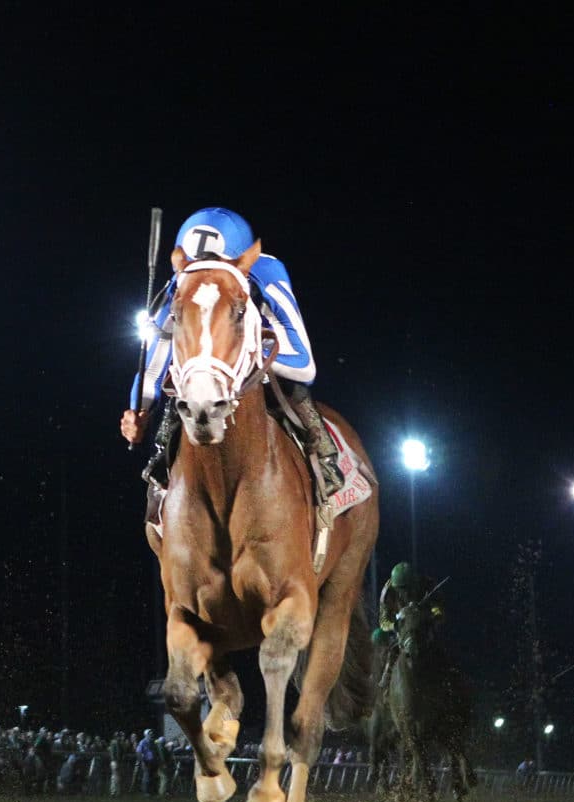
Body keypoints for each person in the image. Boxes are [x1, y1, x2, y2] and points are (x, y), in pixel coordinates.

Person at [119, 207, 344, 498]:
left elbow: (304, 364)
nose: (204, 276)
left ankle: (325, 459)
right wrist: (138, 411)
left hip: (256, 360)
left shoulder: (267, 271)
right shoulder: (180, 284)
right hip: (205, 369)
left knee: (294, 390)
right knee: (179, 392)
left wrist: (245, 351)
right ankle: (161, 464)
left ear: (243, 264)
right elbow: (154, 365)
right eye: (196, 268)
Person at [372, 562, 445, 684]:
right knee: (389, 647)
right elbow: (383, 621)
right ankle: (386, 678)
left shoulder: (426, 584)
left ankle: (449, 679)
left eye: (407, 588)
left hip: (422, 624)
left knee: (436, 647)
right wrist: (394, 625)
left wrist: (431, 614)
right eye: (401, 589)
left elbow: (438, 608)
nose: (405, 593)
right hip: (399, 627)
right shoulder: (388, 593)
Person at [135, 728, 159, 796]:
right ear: (146, 735)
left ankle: (152, 791)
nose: (151, 735)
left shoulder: (153, 742)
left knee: (153, 776)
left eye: (152, 734)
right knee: (146, 777)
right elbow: (138, 752)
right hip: (146, 762)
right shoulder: (142, 742)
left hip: (153, 762)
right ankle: (145, 791)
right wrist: (142, 761)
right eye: (150, 734)